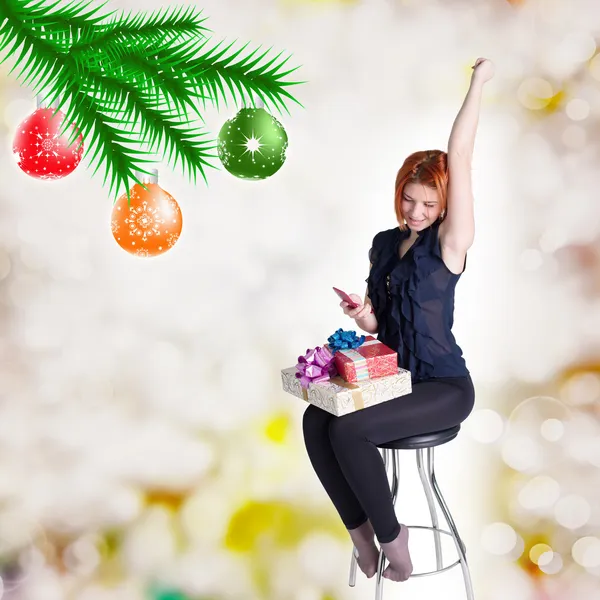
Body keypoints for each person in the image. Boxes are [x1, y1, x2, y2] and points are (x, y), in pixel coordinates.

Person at [302, 58, 495, 583]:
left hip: (443, 385)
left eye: (429, 203)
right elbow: (378, 327)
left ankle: (395, 537)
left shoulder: (449, 243)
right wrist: (363, 314)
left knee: (350, 432)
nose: (415, 211)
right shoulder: (386, 245)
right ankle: (362, 534)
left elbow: (462, 155)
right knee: (315, 420)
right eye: (409, 200)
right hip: (394, 379)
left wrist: (477, 83)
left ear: (445, 204)